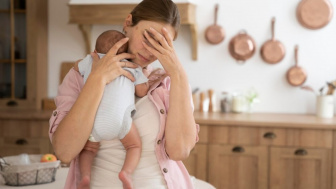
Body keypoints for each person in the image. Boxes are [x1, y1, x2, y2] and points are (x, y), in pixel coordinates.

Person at [49, 0, 211, 188]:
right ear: (128, 23)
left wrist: (178, 73)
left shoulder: (169, 84)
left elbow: (179, 151)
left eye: (161, 44)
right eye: (147, 37)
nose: (150, 50)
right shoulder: (81, 76)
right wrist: (97, 79)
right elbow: (65, 151)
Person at [73, 30, 149, 189]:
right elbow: (142, 91)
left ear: (95, 51)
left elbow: (75, 66)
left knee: (88, 149)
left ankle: (85, 177)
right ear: (127, 54)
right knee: (134, 146)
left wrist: (89, 60)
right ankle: (126, 173)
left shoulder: (91, 61)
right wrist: (146, 77)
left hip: (93, 120)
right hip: (120, 121)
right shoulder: (132, 66)